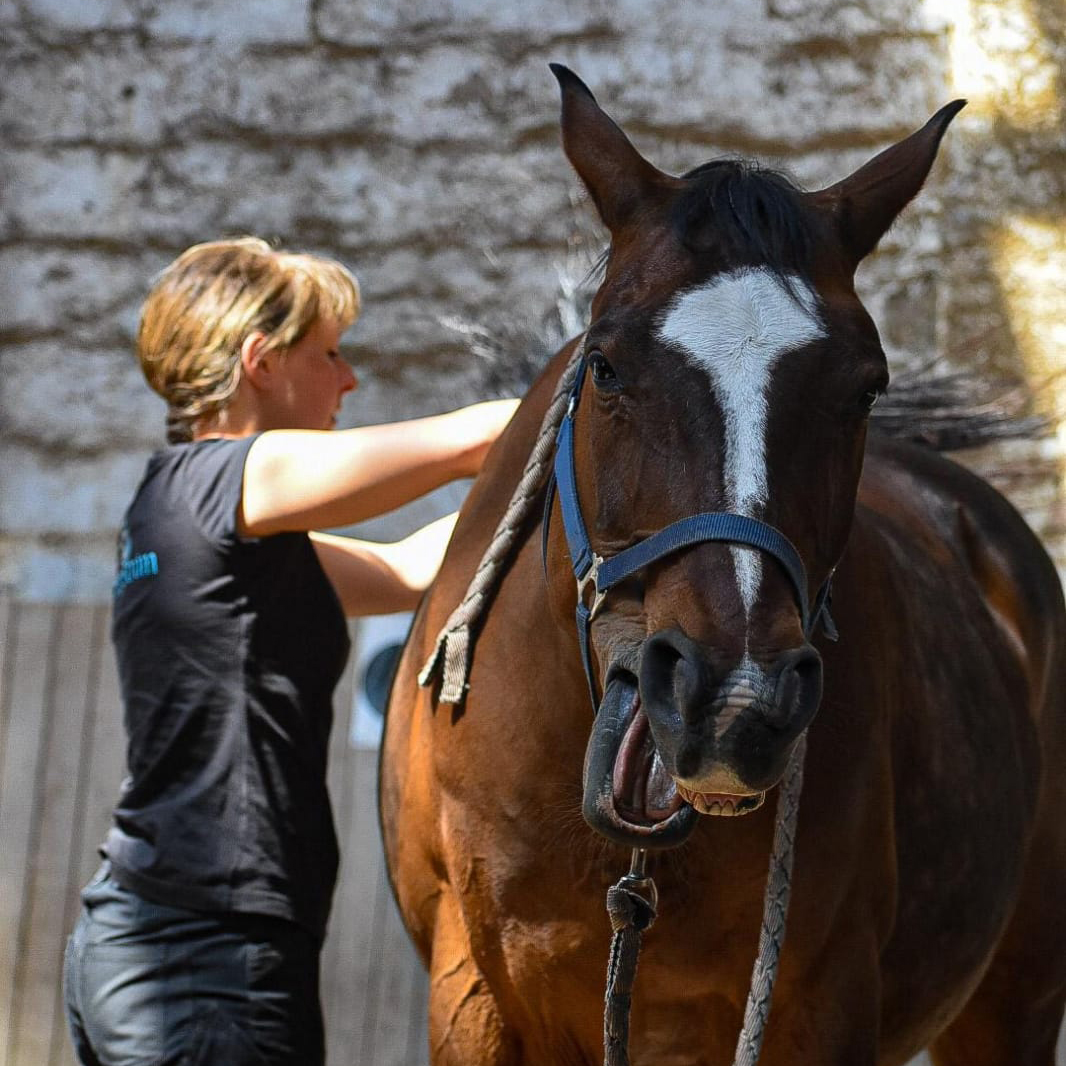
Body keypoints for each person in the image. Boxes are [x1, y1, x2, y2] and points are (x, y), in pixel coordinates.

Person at [62, 237, 518, 1066]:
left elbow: (410, 567)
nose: (348, 380)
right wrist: (603, 388)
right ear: (260, 361)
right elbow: (463, 442)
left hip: (150, 939)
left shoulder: (178, 511)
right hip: (201, 957)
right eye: (331, 354)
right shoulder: (226, 477)